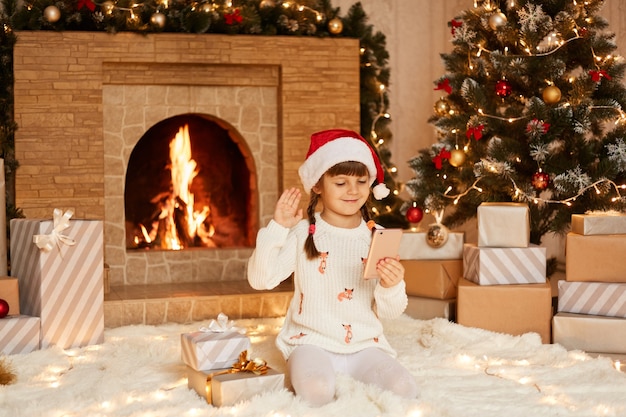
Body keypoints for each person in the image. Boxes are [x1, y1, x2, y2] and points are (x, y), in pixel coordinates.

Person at [247, 128, 418, 406]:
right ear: (317, 185)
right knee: (316, 392)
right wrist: (277, 228)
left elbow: (390, 311)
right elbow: (260, 280)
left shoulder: (378, 236)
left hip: (365, 345)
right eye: (340, 183)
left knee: (404, 389)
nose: (353, 191)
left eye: (362, 181)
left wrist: (392, 285)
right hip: (310, 342)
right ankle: (303, 368)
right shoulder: (304, 233)